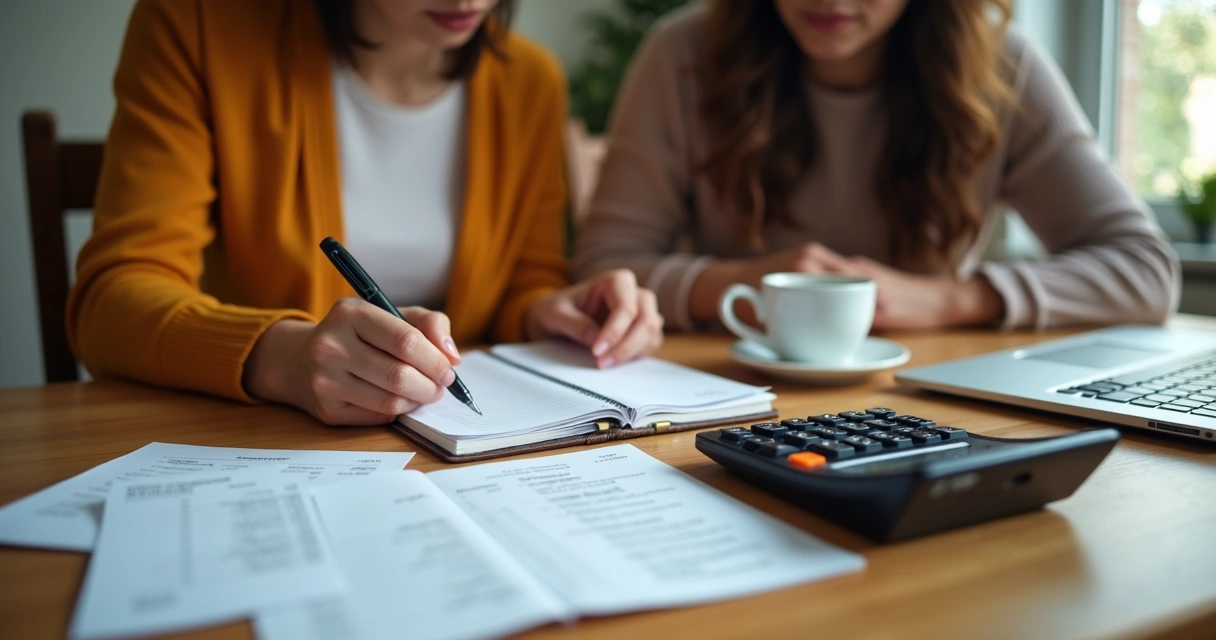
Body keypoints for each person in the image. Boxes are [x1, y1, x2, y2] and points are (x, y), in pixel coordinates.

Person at [67, 0, 663, 427]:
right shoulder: (194, 25)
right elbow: (110, 301)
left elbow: (520, 282)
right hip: (269, 443)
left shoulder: (528, 81)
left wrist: (549, 311)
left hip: (457, 463)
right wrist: (282, 358)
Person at [572, 0, 1180, 334]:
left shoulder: (1001, 69)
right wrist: (745, 283)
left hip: (931, 404)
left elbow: (1146, 270)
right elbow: (603, 269)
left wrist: (951, 300)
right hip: (726, 398)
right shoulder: (682, 53)